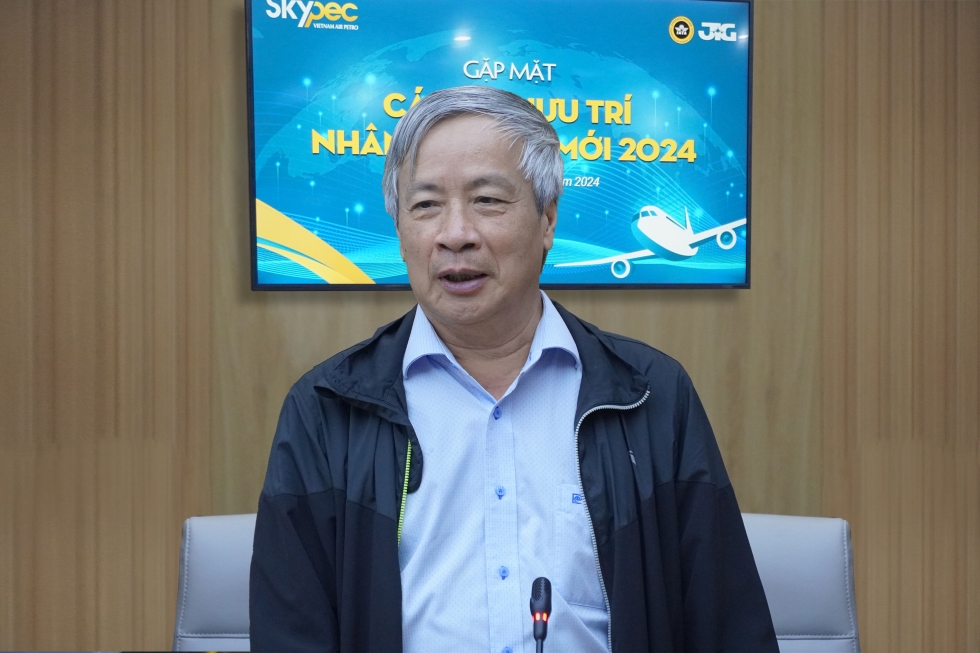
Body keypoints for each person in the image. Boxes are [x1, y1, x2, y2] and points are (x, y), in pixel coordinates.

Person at [249, 85, 777, 653]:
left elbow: (724, 623)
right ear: (399, 231)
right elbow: (290, 634)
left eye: (487, 201)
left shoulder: (650, 396)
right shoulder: (327, 410)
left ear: (548, 220)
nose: (455, 235)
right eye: (425, 206)